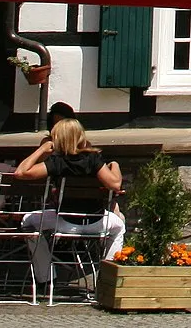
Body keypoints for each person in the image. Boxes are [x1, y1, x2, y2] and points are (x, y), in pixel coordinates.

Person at [15, 118, 124, 282]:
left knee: (27, 221)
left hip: (65, 221)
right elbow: (115, 184)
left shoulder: (57, 161)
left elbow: (21, 173)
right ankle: (107, 278)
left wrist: (42, 149)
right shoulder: (93, 159)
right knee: (119, 227)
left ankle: (45, 277)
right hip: (96, 221)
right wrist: (114, 164)